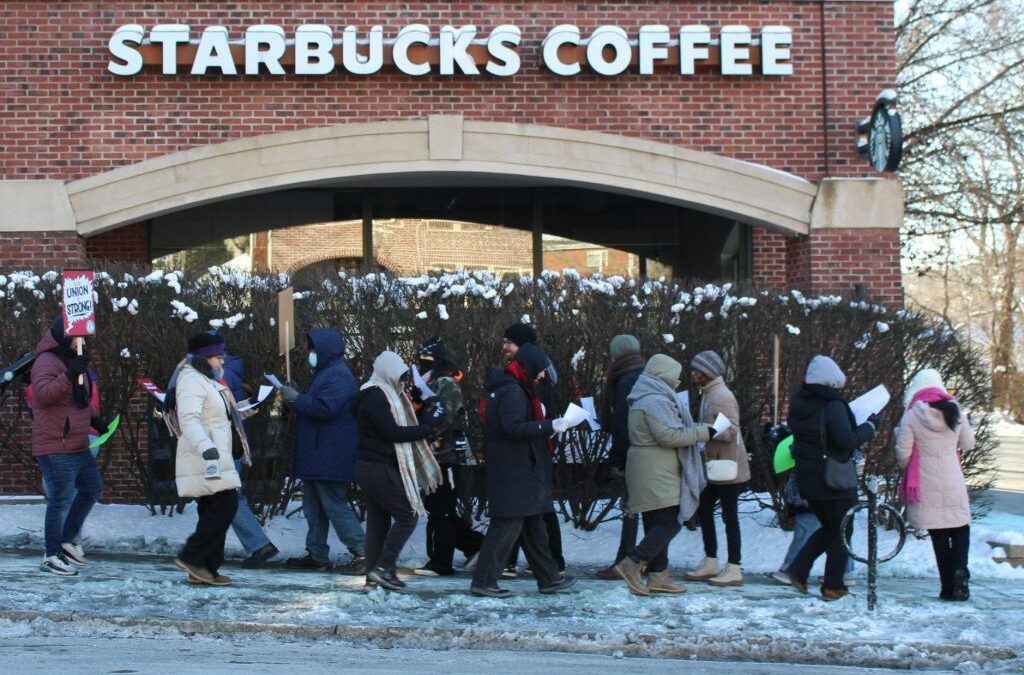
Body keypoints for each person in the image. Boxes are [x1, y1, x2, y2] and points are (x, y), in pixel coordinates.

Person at [470, 343, 580, 598]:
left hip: (518, 468)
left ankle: (549, 578)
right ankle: (483, 581)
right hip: (514, 469)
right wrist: (548, 425)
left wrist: (547, 427)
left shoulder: (511, 389)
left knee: (533, 524)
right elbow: (513, 428)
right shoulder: (513, 392)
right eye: (540, 370)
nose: (542, 376)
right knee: (506, 525)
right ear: (529, 367)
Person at [614, 354, 713, 596]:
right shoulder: (654, 400)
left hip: (650, 468)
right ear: (663, 376)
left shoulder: (643, 396)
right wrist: (704, 432)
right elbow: (669, 436)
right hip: (656, 470)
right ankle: (633, 562)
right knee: (671, 521)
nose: (677, 382)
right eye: (674, 377)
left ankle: (658, 575)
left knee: (656, 523)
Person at [784, 355, 879, 601]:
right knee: (841, 531)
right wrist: (869, 427)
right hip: (833, 478)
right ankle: (833, 586)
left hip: (808, 478)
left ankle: (798, 570)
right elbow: (846, 441)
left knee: (829, 528)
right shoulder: (833, 405)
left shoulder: (800, 404)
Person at [354, 350, 444, 591]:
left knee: (378, 521)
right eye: (400, 375)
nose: (403, 381)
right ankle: (383, 568)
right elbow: (391, 432)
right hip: (376, 466)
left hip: (373, 465)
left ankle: (375, 574)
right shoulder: (375, 396)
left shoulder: (385, 394)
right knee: (408, 515)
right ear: (388, 372)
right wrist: (427, 427)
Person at [281, 329, 367, 574]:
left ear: (326, 350)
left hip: (328, 451)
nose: (311, 354)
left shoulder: (337, 375)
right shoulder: (327, 373)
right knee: (314, 505)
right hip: (319, 451)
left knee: (333, 503)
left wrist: (297, 399)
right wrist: (298, 395)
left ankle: (363, 552)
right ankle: (317, 553)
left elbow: (326, 408)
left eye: (314, 349)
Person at [30, 316, 104, 576]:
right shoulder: (47, 361)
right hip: (56, 444)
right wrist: (70, 373)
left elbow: (78, 399)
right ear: (66, 337)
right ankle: (52, 554)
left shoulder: (73, 362)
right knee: (60, 500)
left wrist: (96, 420)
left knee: (92, 487)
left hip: (77, 443)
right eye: (78, 337)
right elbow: (45, 394)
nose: (82, 342)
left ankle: (68, 538)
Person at [172, 332, 247, 585]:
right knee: (226, 505)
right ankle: (193, 557)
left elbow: (214, 416)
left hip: (216, 455)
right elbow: (189, 420)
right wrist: (206, 447)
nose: (221, 362)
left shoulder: (206, 380)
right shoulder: (191, 380)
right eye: (217, 357)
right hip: (206, 457)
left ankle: (205, 568)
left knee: (213, 508)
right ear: (204, 358)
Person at [896, 368, 975, 601]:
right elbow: (968, 444)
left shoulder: (912, 415)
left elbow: (903, 452)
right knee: (961, 527)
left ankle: (948, 587)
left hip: (925, 480)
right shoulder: (956, 410)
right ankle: (960, 570)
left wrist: (908, 466)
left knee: (938, 533)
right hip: (952, 478)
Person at [412, 338, 484, 576]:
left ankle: (441, 561)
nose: (423, 363)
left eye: (428, 359)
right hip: (435, 453)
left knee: (440, 509)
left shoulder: (446, 384)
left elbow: (442, 416)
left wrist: (422, 432)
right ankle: (477, 546)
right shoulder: (431, 383)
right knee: (441, 508)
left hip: (447, 454)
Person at [499, 323, 565, 577]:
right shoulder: (540, 364)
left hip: (533, 445)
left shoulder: (527, 366)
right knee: (534, 506)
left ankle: (538, 562)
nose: (504, 347)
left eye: (508, 342)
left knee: (533, 506)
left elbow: (526, 415)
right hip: (540, 443)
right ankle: (545, 563)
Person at [686, 350, 750, 587]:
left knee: (729, 516)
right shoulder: (709, 392)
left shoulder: (720, 395)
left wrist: (703, 431)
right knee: (705, 510)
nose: (693, 374)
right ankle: (711, 559)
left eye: (697, 370)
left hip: (726, 466)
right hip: (715, 465)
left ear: (707, 372)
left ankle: (734, 566)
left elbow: (732, 430)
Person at [222, 353, 279, 568]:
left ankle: (258, 544)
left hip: (223, 446)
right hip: (233, 445)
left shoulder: (218, 375)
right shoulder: (231, 375)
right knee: (223, 498)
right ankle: (209, 549)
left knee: (226, 498)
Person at [596, 334, 646, 580]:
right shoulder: (639, 375)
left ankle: (626, 561)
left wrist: (618, 459)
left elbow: (624, 424)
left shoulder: (626, 379)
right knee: (639, 508)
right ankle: (642, 561)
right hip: (639, 453)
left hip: (633, 455)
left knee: (632, 508)